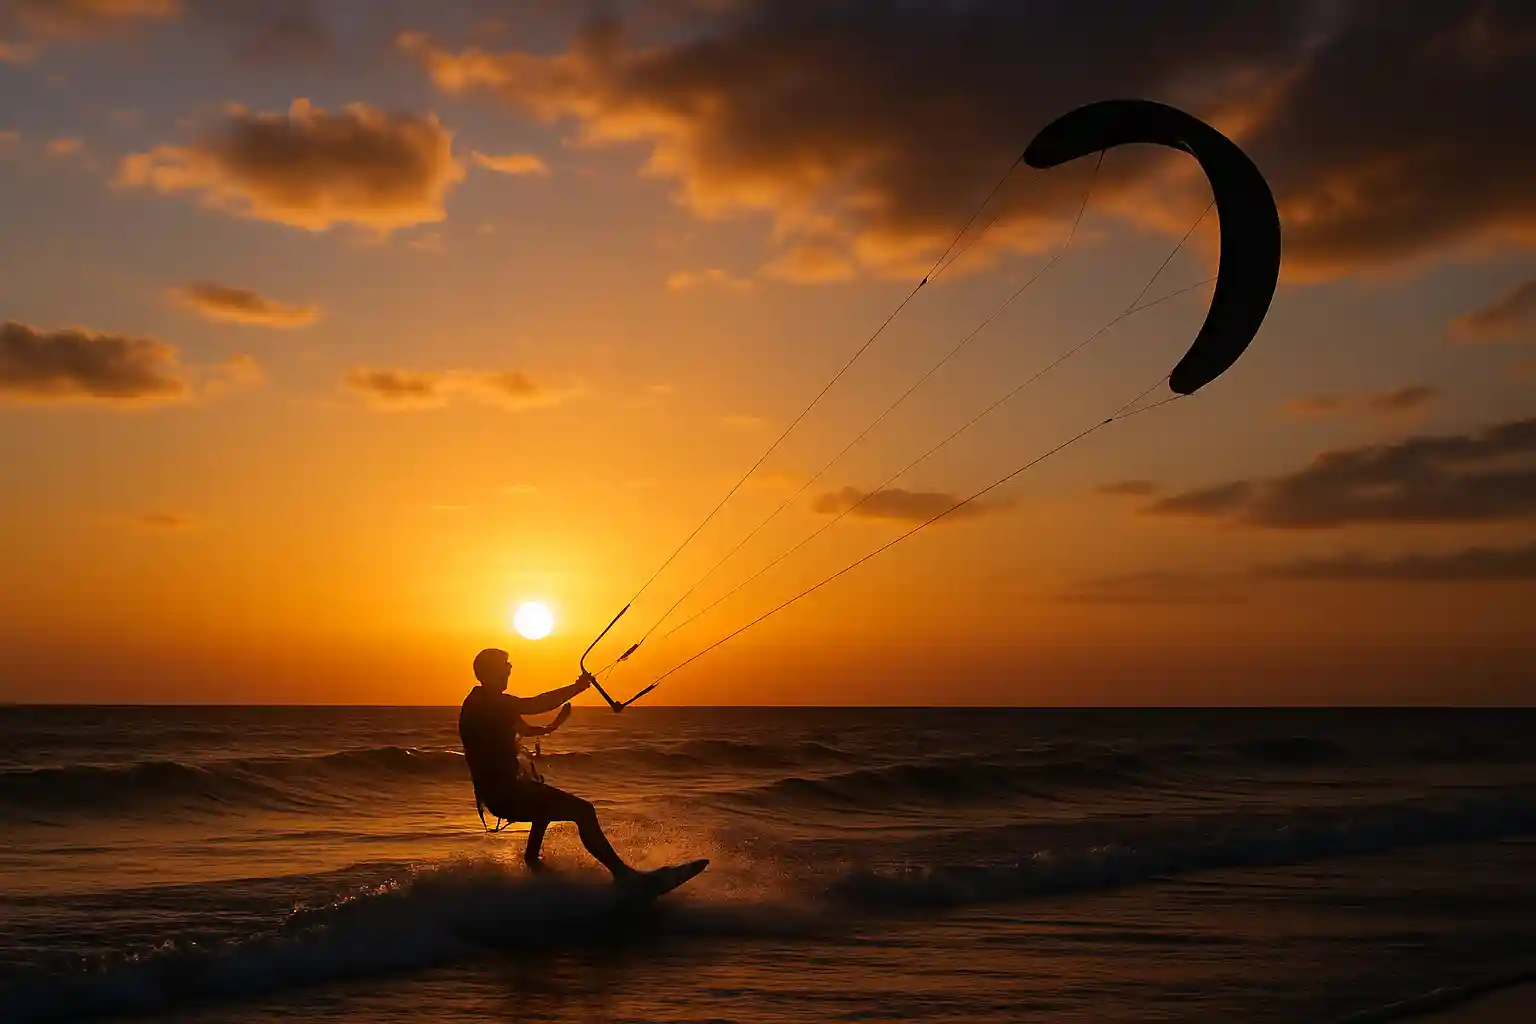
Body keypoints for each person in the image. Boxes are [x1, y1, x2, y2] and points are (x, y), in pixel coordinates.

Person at [458, 647, 639, 882]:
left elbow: (524, 729)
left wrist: (552, 727)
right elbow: (535, 704)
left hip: (503, 793)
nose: (510, 668)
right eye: (506, 664)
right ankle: (624, 876)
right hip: (505, 794)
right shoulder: (485, 702)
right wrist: (578, 687)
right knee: (584, 811)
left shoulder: (492, 703)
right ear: (491, 671)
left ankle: (534, 866)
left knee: (543, 808)